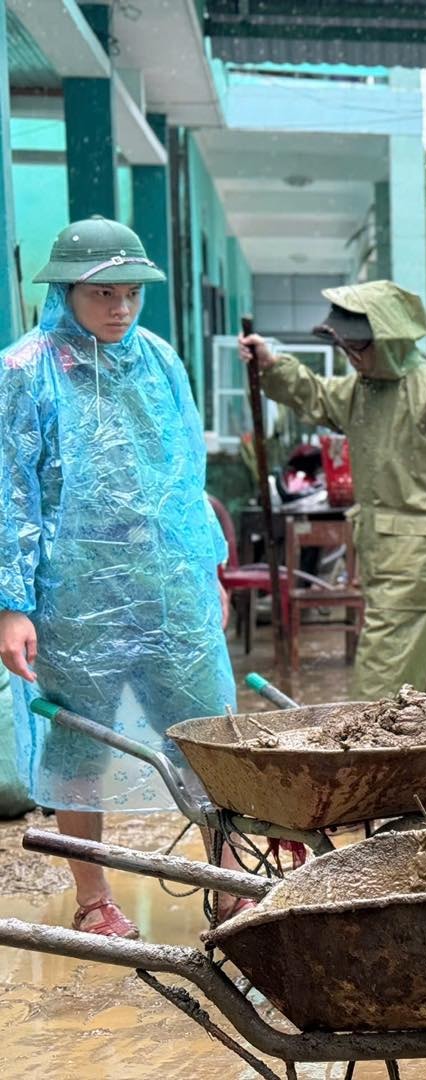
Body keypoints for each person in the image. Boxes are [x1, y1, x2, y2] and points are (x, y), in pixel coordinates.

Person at [0, 217, 237, 936]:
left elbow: (184, 473)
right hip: (73, 593)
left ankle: (227, 881)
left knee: (206, 733)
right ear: (68, 289)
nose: (121, 308)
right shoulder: (25, 370)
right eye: (104, 292)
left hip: (166, 583)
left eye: (131, 291)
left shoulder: (159, 360)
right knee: (79, 744)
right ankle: (94, 897)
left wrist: (208, 569)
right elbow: (12, 493)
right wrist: (13, 605)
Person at [239, 282, 426, 708]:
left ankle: (363, 770)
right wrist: (272, 366)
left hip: (417, 569)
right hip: (391, 561)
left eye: (360, 348)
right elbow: (316, 395)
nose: (353, 359)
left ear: (388, 340)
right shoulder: (364, 389)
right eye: (346, 349)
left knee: (377, 695)